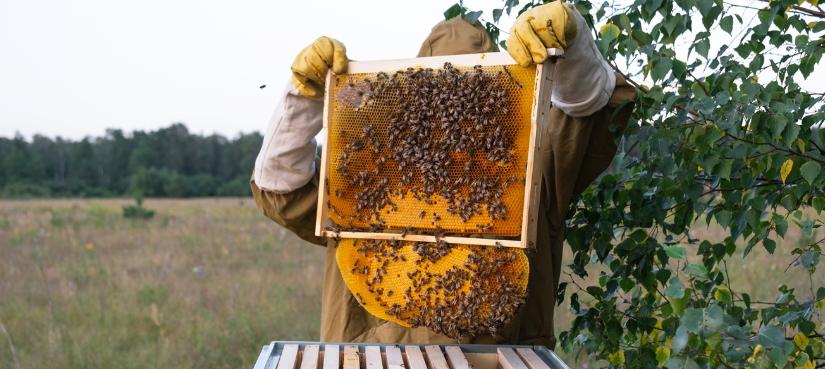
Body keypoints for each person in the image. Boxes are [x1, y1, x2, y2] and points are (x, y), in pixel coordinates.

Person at [250, 1, 636, 347]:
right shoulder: (371, 178)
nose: (454, 126)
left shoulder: (534, 174)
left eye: (481, 100)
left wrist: (572, 46)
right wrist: (303, 101)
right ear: (412, 100)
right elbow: (282, 189)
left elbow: (591, 110)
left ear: (508, 100)